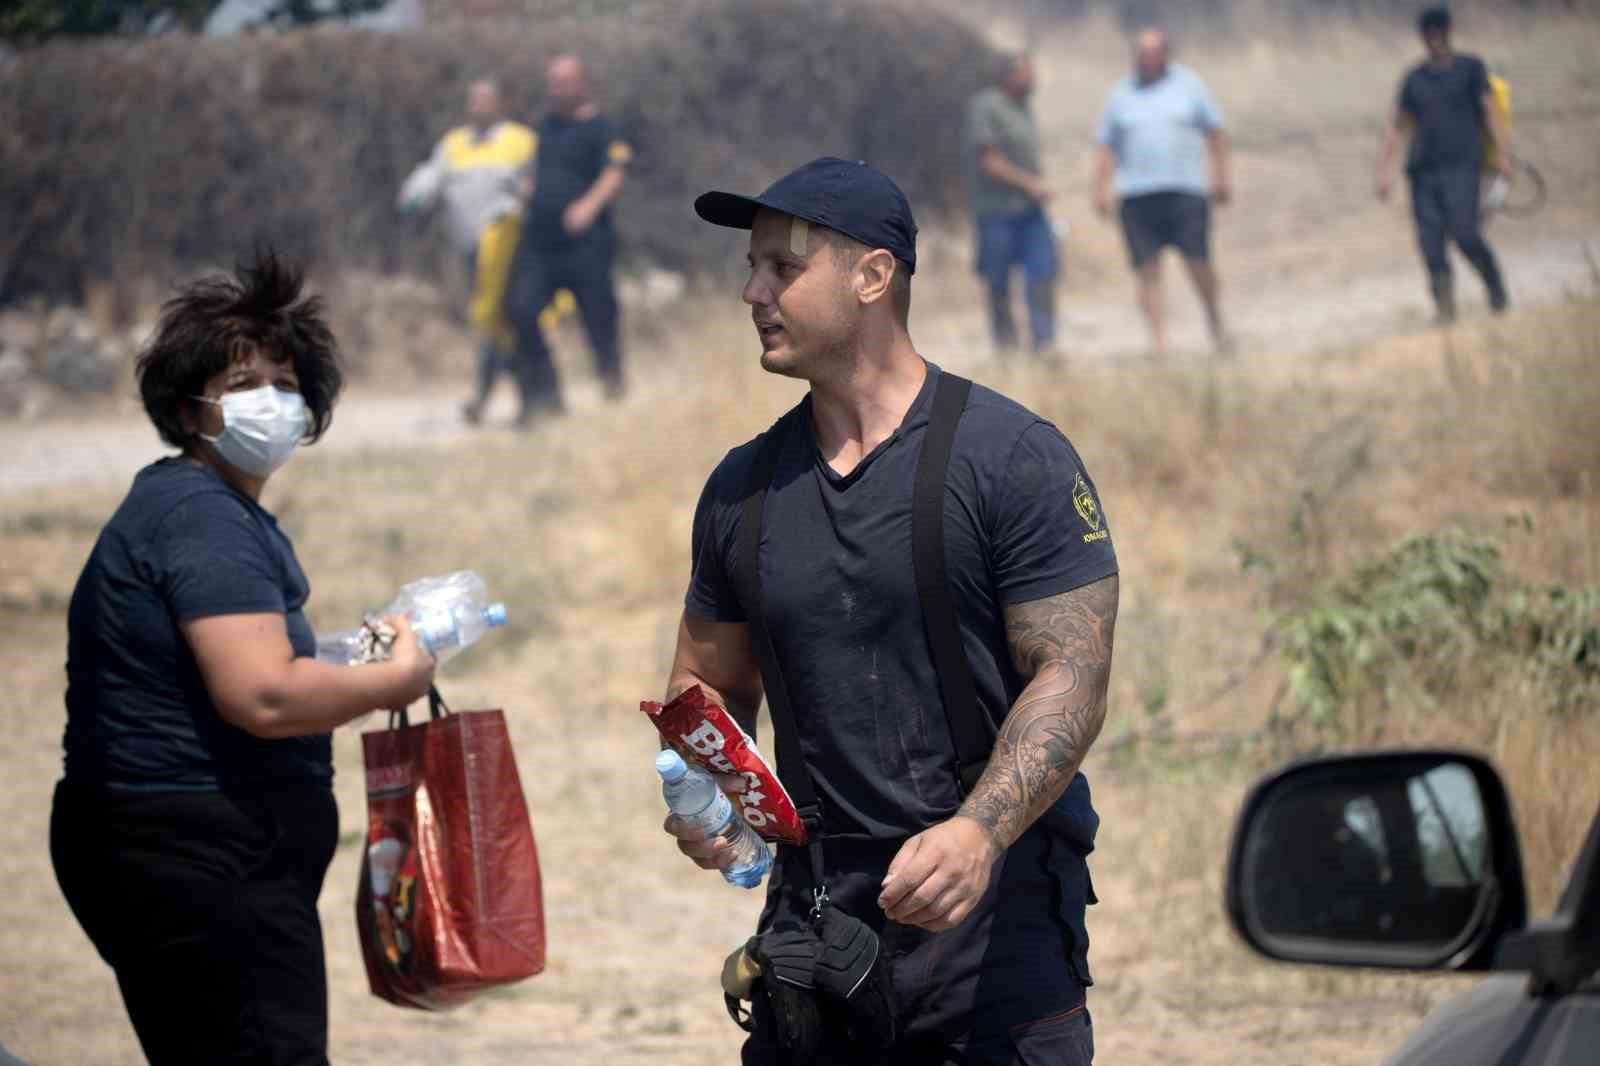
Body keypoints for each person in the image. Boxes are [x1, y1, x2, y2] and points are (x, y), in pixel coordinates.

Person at [666, 157, 1119, 1063]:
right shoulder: (742, 489)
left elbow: (1072, 673)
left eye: (781, 269)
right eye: (750, 268)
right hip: (813, 938)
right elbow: (700, 689)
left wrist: (978, 832)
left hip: (993, 939)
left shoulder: (1012, 458)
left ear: (874, 276)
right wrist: (710, 794)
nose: (753, 291)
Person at [50, 252, 437, 1066]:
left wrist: (342, 660)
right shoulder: (203, 517)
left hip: (188, 849)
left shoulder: (205, 508)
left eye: (288, 385)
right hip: (197, 855)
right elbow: (261, 695)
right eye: (242, 385)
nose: (273, 404)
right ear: (192, 407)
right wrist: (395, 680)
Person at [397, 78, 541, 424]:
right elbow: (430, 178)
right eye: (473, 100)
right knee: (486, 326)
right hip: (467, 254)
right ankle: (501, 398)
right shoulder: (454, 143)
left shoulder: (520, 141)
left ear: (500, 103)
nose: (477, 106)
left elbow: (539, 182)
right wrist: (413, 197)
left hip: (511, 254)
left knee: (499, 324)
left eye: (485, 100)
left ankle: (519, 399)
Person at [1093, 27, 1232, 355]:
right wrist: (1101, 187)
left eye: (1152, 53)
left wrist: (1221, 176)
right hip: (1138, 194)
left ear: (1165, 55)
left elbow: (1216, 132)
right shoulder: (1121, 94)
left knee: (1198, 262)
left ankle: (1216, 323)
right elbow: (1106, 146)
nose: (1146, 60)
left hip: (1185, 190)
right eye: (1140, 53)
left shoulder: (1189, 85)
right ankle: (1159, 344)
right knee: (1147, 270)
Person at [505, 54, 633, 412]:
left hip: (586, 245)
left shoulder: (602, 127)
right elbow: (537, 169)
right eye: (552, 81)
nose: (555, 88)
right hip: (540, 243)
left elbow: (615, 172)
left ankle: (612, 385)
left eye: (563, 81)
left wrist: (587, 207)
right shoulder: (543, 127)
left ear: (581, 84)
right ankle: (545, 398)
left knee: (598, 317)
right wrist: (527, 189)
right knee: (522, 310)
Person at [1375, 5, 1510, 322]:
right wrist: (1383, 170)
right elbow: (1397, 125)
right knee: (1430, 246)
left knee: (1465, 235)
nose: (1434, 37)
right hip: (1423, 174)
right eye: (1428, 31)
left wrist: (1503, 155)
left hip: (1462, 167)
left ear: (1448, 32)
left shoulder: (1471, 69)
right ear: (1422, 36)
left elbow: (1491, 112)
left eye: (1439, 30)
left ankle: (1496, 289)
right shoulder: (1414, 79)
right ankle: (1446, 311)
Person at [964, 53, 1060, 356]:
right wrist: (1029, 183)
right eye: (1026, 72)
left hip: (1030, 212)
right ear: (1008, 75)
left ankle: (1044, 343)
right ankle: (1006, 347)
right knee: (998, 280)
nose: (1033, 78)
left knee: (1043, 272)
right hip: (996, 212)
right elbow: (988, 160)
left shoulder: (1025, 108)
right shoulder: (986, 106)